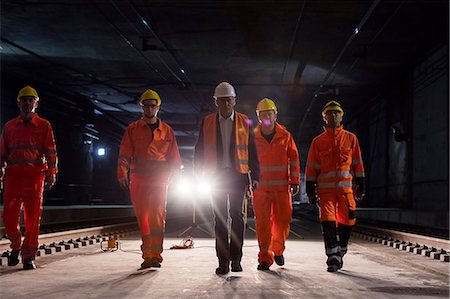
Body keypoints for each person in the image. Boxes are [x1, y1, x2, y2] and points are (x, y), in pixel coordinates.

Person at [194, 82, 260, 275]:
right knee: (220, 219)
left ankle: (236, 259)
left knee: (237, 218)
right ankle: (223, 262)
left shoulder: (245, 121)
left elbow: (252, 152)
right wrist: (197, 172)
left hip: (238, 175)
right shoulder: (206, 122)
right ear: (216, 102)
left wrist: (255, 176)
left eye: (229, 101)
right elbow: (199, 150)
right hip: (216, 176)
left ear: (234, 101)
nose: (225, 105)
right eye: (221, 101)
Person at [117, 88, 181, 269]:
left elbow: (174, 157)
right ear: (141, 107)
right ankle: (147, 255)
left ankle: (156, 255)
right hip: (139, 180)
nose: (150, 109)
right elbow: (124, 154)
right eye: (146, 105)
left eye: (153, 106)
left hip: (160, 181)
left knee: (158, 217)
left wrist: (176, 177)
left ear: (158, 107)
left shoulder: (167, 131)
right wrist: (122, 172)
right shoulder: (133, 130)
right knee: (143, 218)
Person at [0, 86, 58, 270]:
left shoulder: (44, 126)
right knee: (9, 219)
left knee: (33, 220)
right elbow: (2, 153)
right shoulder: (9, 127)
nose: (27, 103)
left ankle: (28, 256)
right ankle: (16, 245)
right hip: (13, 178)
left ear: (36, 103)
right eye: (24, 100)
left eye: (30, 100)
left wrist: (51, 172)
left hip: (34, 178)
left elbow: (51, 151)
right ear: (18, 103)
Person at [305, 100, 365, 272]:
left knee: (348, 221)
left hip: (346, 191)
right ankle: (332, 257)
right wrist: (310, 190)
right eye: (329, 113)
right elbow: (311, 167)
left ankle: (341, 249)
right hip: (326, 193)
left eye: (336, 113)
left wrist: (361, 185)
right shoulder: (318, 142)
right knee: (328, 223)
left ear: (341, 116)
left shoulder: (351, 138)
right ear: (324, 118)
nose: (333, 116)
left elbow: (357, 164)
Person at [252, 98, 300, 271]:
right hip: (261, 189)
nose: (266, 117)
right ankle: (265, 258)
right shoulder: (253, 137)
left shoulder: (285, 136)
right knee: (263, 224)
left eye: (269, 113)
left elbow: (294, 159)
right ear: (258, 117)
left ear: (275, 115)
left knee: (283, 221)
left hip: (281, 187)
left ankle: (278, 250)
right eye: (262, 114)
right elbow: (247, 161)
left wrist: (295, 181)